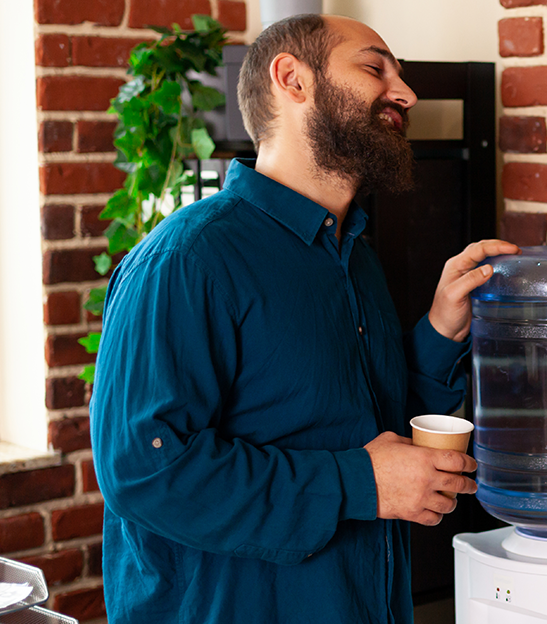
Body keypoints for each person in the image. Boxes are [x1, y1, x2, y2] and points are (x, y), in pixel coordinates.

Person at [90, 14, 518, 623]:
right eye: (375, 68)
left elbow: (368, 433)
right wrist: (356, 483)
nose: (406, 93)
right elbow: (147, 469)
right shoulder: (188, 258)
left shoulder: (355, 257)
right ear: (292, 79)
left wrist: (441, 328)